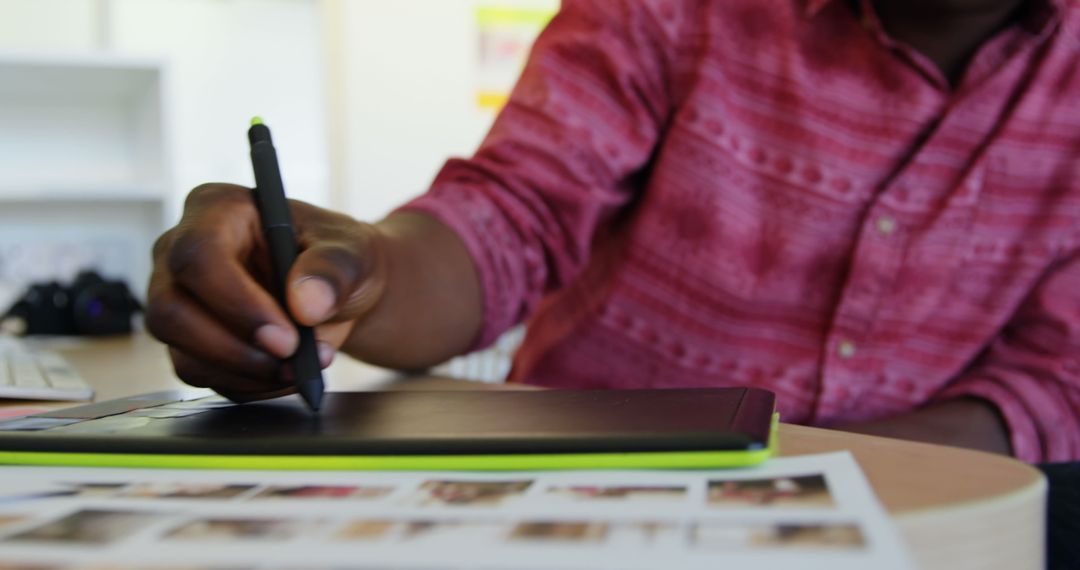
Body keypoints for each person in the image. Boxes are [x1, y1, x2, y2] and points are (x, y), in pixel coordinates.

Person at [145, 0, 1080, 465]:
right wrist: (369, 273)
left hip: (931, 515)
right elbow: (512, 216)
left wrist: (797, 470)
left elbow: (1054, 385)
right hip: (579, 500)